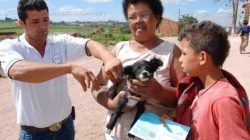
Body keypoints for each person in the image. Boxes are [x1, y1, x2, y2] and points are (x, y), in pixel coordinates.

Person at [0, 0, 122, 140]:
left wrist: (107, 57)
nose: (43, 26)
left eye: (45, 20)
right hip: (34, 135)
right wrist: (69, 68)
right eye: (35, 22)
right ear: (22, 23)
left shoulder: (59, 42)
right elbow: (18, 71)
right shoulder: (11, 46)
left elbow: (89, 44)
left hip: (65, 128)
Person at [91, 0, 185, 139]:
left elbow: (186, 96)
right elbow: (96, 87)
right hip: (115, 135)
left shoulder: (171, 52)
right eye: (132, 17)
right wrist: (111, 104)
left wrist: (159, 91)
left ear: (157, 18)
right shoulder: (118, 49)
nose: (138, 21)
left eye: (144, 15)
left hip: (155, 135)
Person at [175, 21, 250, 139]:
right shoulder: (198, 88)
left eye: (184, 54)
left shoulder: (223, 100)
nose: (180, 59)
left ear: (202, 57)